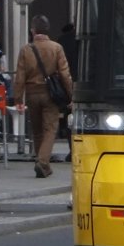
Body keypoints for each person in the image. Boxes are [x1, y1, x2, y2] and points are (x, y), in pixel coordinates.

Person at [13, 14, 73, 179]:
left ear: (32, 31)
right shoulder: (56, 48)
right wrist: (71, 96)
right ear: (47, 30)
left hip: (32, 94)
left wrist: (18, 99)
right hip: (50, 94)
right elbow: (65, 74)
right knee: (50, 129)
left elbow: (19, 77)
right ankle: (42, 162)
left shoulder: (26, 50)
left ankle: (41, 161)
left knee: (37, 130)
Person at [55, 22, 79, 160]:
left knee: (69, 118)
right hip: (84, 82)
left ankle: (72, 149)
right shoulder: (92, 38)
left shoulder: (62, 41)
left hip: (66, 83)